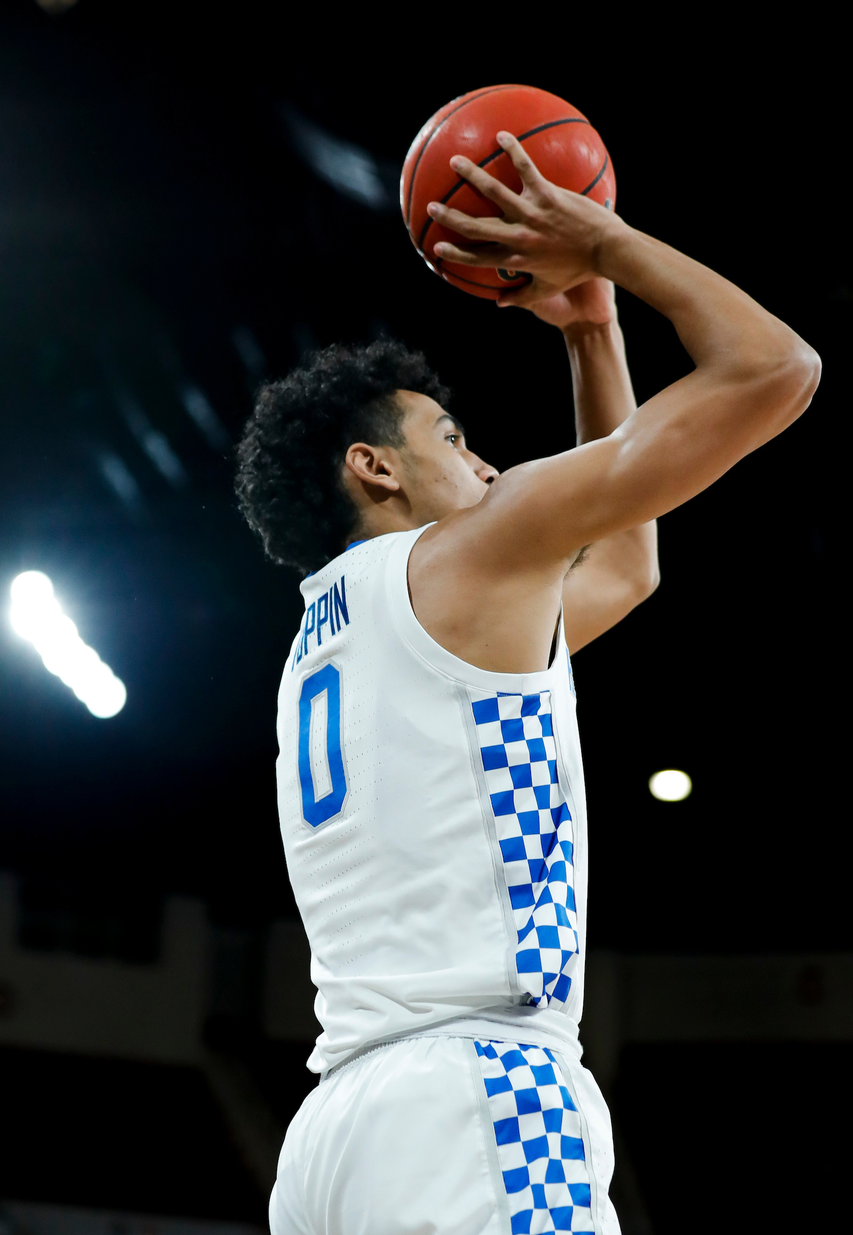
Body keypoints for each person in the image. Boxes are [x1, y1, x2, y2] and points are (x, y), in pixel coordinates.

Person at [235, 132, 819, 1235]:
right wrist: (603, 240)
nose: (491, 466)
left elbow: (628, 567)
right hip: (477, 1094)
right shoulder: (464, 559)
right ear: (376, 468)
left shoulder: (326, 638)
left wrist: (595, 332)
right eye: (453, 438)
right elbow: (776, 370)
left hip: (333, 1141)